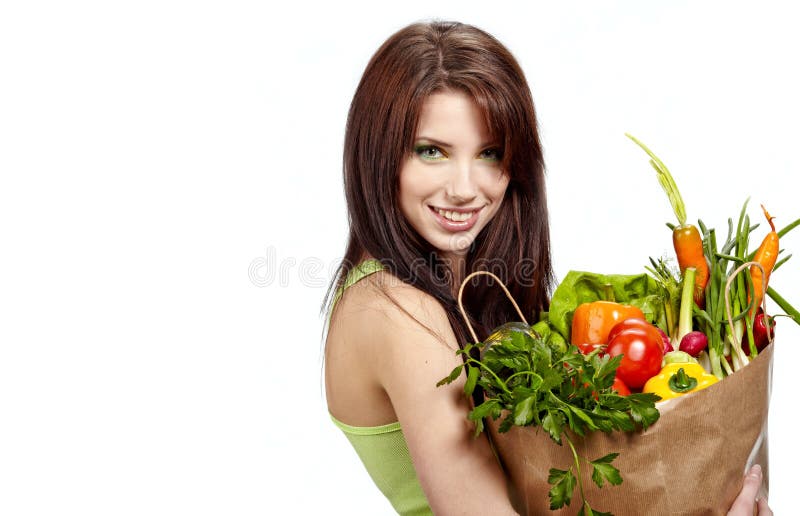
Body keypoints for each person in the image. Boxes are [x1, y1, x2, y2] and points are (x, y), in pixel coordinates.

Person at [323, 20, 771, 516]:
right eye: (432, 152)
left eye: (490, 154)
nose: (465, 188)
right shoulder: (399, 312)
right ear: (377, 152)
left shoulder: (446, 292)